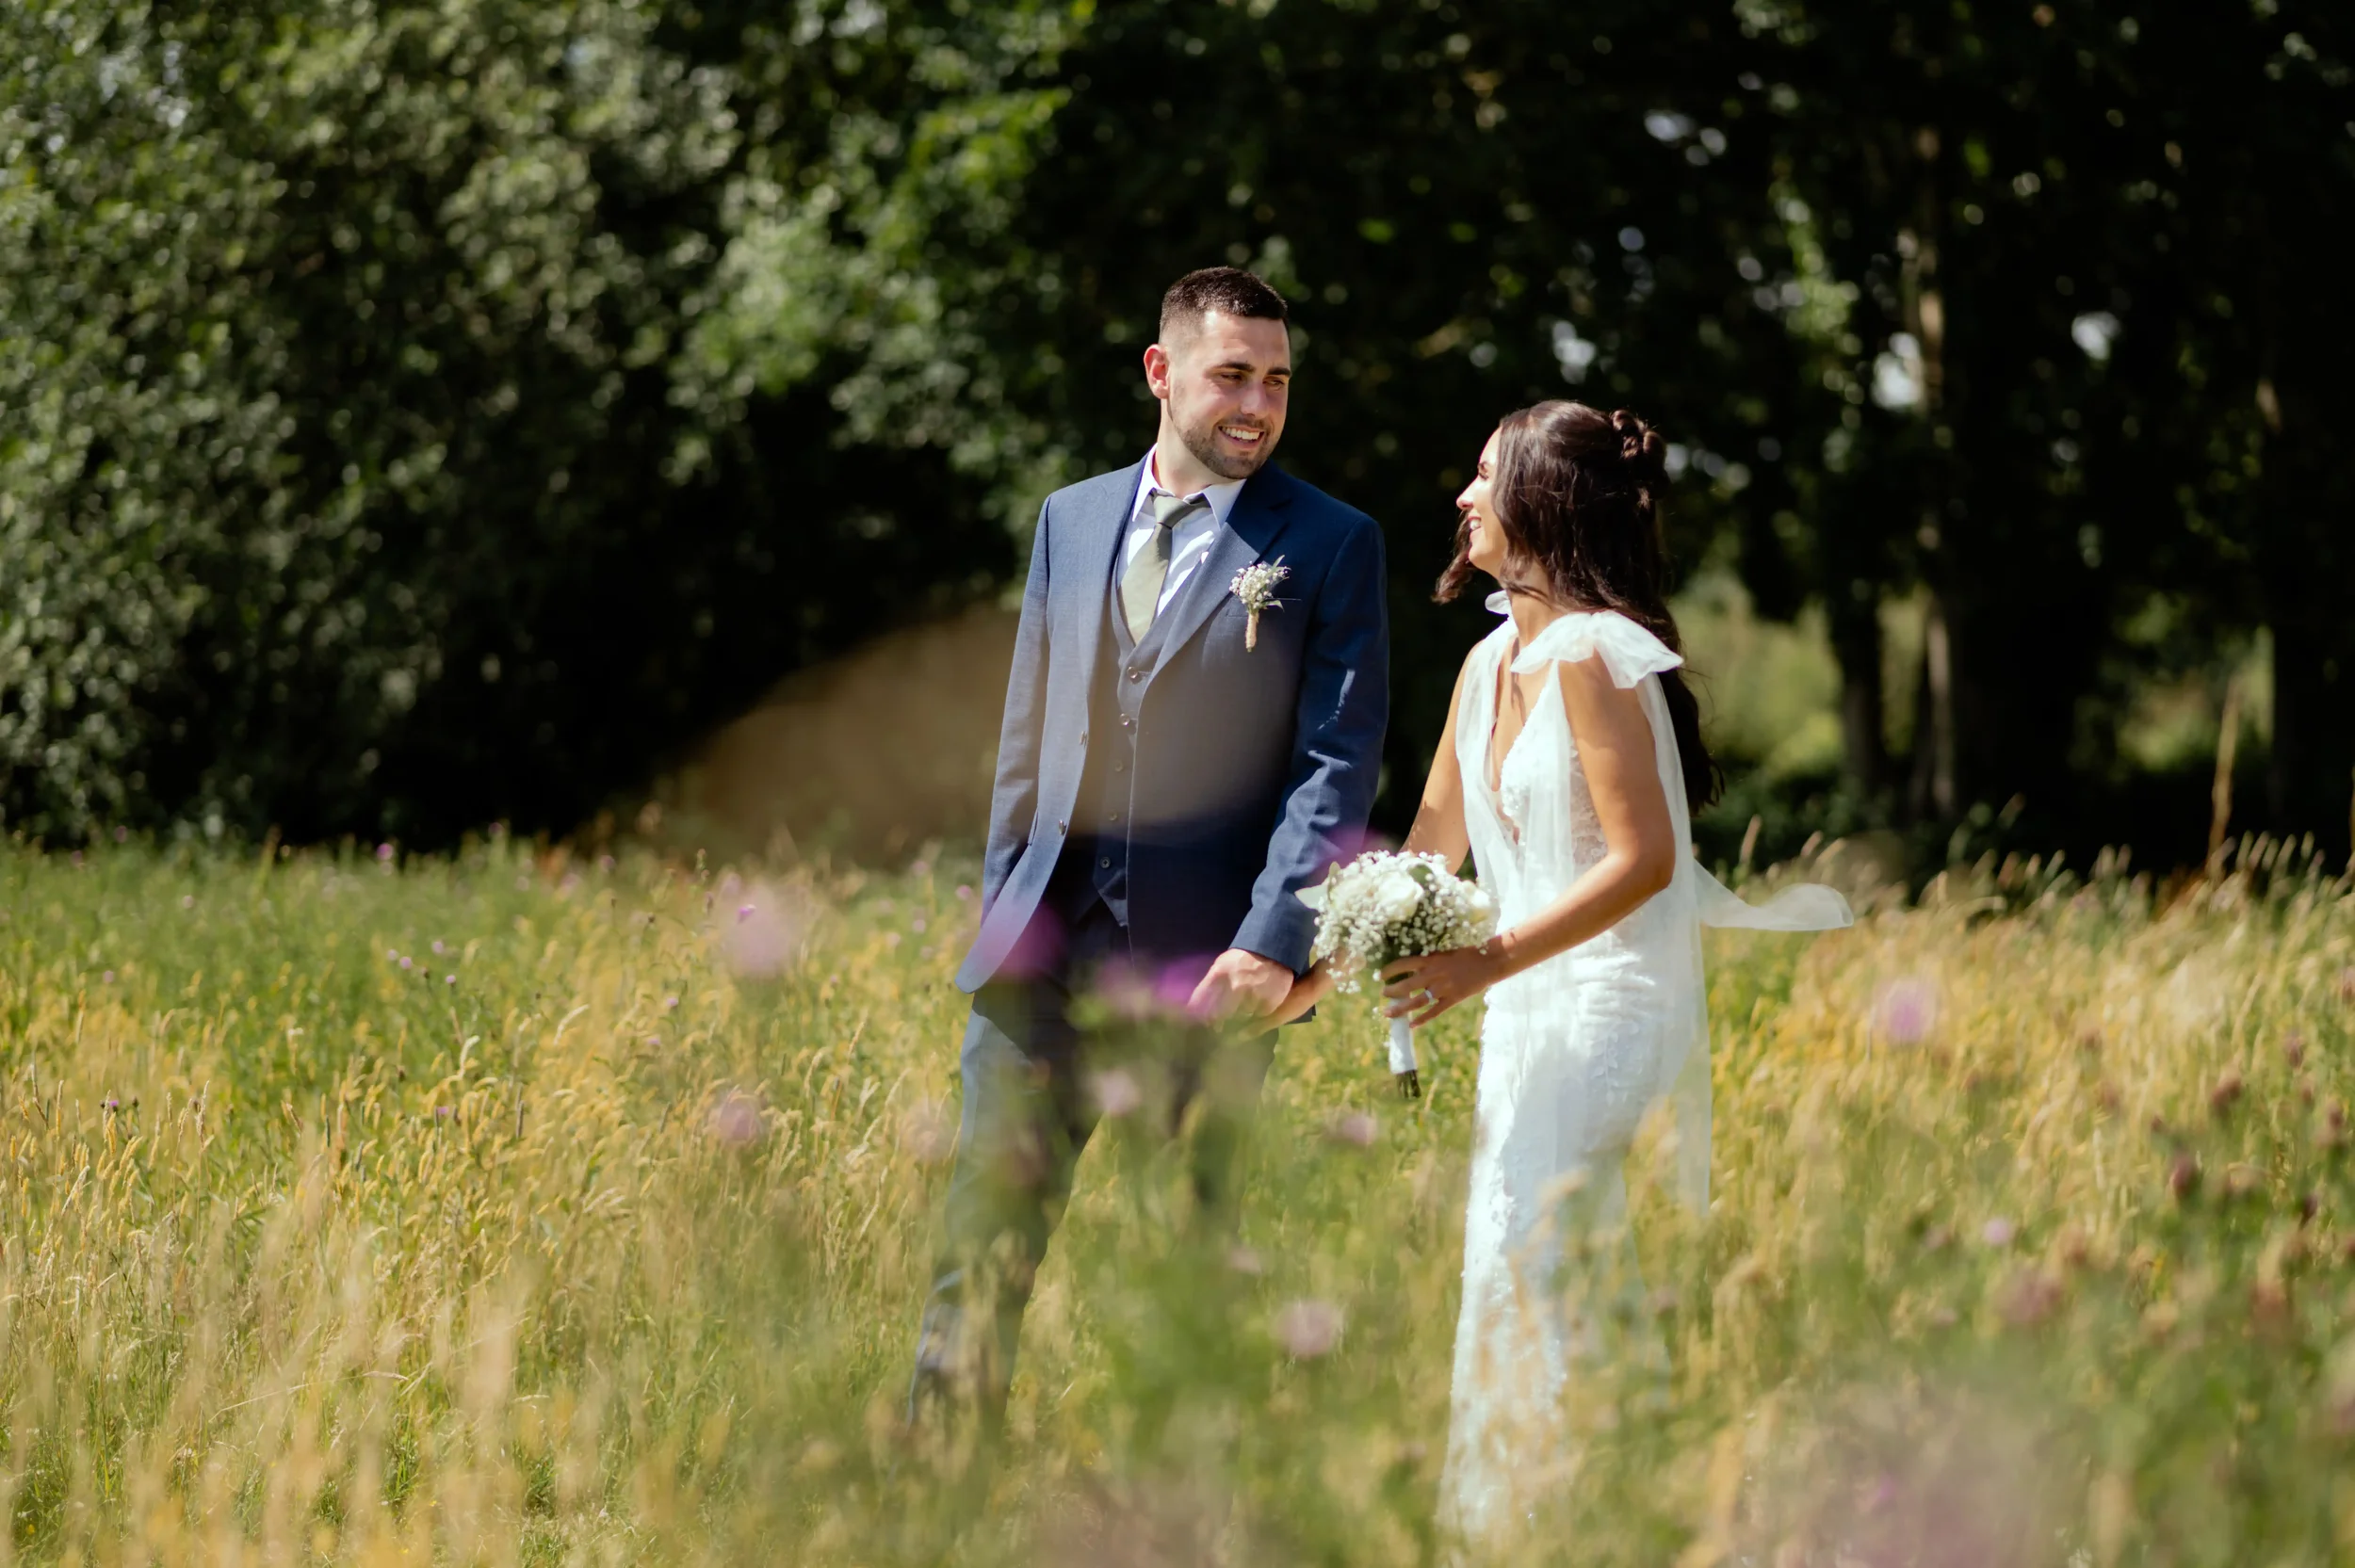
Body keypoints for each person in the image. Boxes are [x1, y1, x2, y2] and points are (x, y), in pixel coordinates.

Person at [1275, 400, 1849, 1541]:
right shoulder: (1489, 659)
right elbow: (1429, 843)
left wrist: (1478, 963)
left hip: (1603, 1004)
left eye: (1484, 475)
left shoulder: (1594, 653)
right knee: (1537, 1249)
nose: (1462, 497)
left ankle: (1533, 1519)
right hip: (1518, 1003)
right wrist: (1303, 973)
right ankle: (1637, 1503)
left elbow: (1644, 863)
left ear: (1540, 498)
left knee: (1522, 1239)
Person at [904, 267, 1390, 1446]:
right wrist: (1001, 905)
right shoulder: (1070, 519)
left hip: (1204, 977)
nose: (1258, 405)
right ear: (1161, 373)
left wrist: (1274, 945)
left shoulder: (1328, 542)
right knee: (978, 1260)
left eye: (1276, 381)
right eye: (1233, 375)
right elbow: (1027, 734)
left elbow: (1334, 766)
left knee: (1184, 1276)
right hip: (1038, 962)